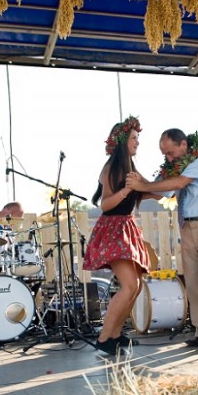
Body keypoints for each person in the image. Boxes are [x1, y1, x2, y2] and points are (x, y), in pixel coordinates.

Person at [126, 128, 198, 349]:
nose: (168, 158)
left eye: (171, 152)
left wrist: (144, 186)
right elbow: (160, 190)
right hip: (187, 226)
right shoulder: (174, 166)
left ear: (183, 145)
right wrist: (133, 179)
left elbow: (179, 184)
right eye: (165, 155)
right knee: (192, 284)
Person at [84, 116, 154, 356]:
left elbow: (143, 191)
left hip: (126, 227)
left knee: (134, 286)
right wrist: (127, 190)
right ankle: (104, 337)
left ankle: (115, 334)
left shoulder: (130, 168)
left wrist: (159, 189)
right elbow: (105, 204)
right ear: (123, 141)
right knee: (129, 285)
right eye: (134, 138)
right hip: (114, 229)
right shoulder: (112, 167)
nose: (137, 142)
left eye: (138, 138)